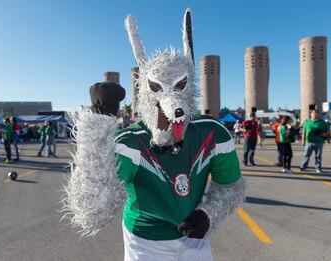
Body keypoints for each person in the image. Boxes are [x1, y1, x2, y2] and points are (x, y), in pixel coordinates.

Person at [62, 9, 246, 261]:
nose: (170, 101)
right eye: (157, 88)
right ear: (147, 93)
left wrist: (208, 213)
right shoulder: (130, 143)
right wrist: (97, 127)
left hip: (194, 239)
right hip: (145, 242)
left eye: (180, 85)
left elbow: (231, 186)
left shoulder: (214, 135)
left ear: (190, 87)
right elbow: (93, 209)